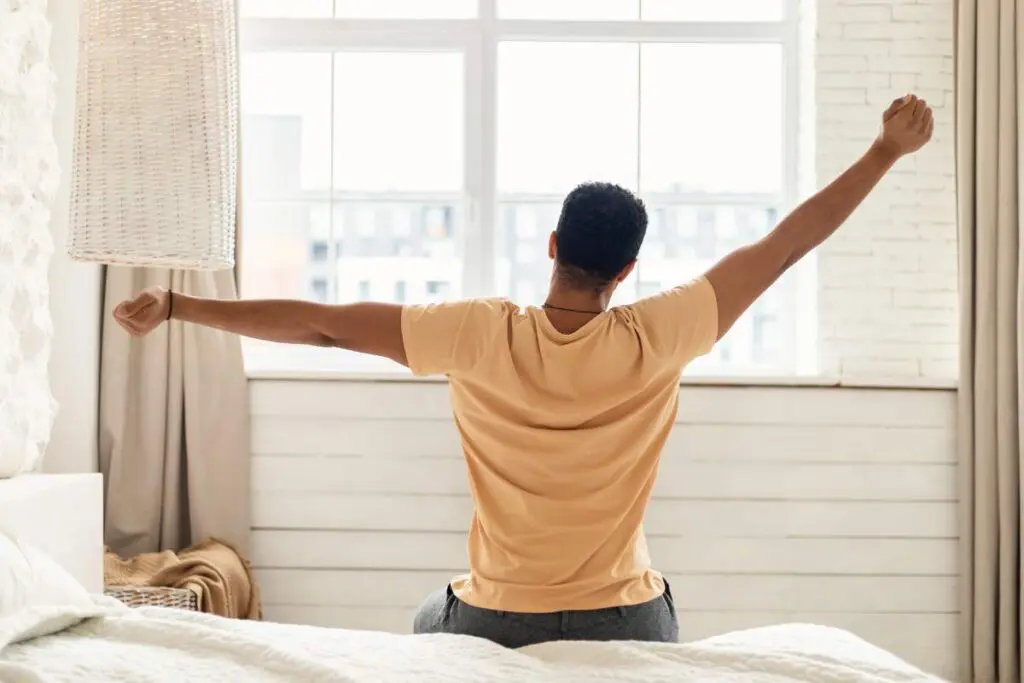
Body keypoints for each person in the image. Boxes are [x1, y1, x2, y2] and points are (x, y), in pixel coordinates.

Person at [115, 94, 934, 648]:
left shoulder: (479, 334)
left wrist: (184, 307)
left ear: (553, 246)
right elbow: (787, 244)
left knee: (422, 624)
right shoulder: (661, 331)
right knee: (664, 613)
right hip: (627, 614)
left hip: (496, 615)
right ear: (627, 268)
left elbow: (325, 325)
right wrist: (884, 150)